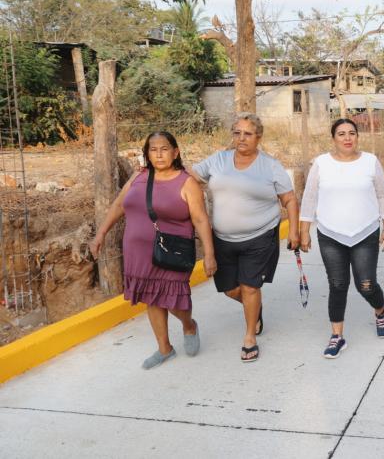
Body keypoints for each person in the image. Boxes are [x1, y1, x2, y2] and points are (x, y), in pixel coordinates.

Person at [90, 132, 216, 370]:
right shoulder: (139, 176)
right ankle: (164, 348)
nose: (159, 154)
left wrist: (209, 254)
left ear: (175, 152)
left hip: (172, 252)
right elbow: (119, 205)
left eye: (164, 149)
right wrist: (100, 234)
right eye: (153, 149)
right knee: (151, 296)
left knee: (174, 298)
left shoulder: (186, 182)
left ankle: (189, 325)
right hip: (138, 251)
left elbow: (200, 219)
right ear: (147, 154)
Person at [192, 113, 300, 363]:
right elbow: (190, 176)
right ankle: (254, 308)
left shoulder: (270, 165)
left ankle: (250, 336)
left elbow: (289, 199)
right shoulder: (218, 160)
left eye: (248, 134)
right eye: (237, 133)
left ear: (258, 137)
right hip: (222, 238)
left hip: (260, 236)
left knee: (250, 287)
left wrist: (294, 230)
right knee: (231, 290)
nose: (241, 138)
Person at [299, 119, 384, 359]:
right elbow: (309, 197)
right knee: (338, 284)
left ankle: (380, 311)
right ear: (333, 138)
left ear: (358, 136)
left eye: (352, 133)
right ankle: (337, 336)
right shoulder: (321, 163)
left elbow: (382, 194)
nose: (347, 138)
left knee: (366, 285)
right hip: (330, 234)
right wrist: (304, 231)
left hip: (365, 232)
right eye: (341, 134)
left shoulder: (370, 161)